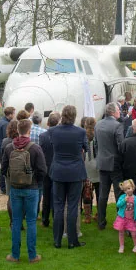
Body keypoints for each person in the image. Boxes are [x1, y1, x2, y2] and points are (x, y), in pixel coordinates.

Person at [1, 119, 47, 263]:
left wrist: (12, 179)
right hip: (32, 188)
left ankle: (15, 255)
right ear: (29, 130)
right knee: (31, 221)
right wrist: (36, 182)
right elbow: (42, 170)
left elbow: (3, 169)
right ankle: (32, 256)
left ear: (17, 130)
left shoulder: (9, 148)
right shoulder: (35, 148)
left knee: (16, 221)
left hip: (15, 188)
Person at [48, 105, 88, 249]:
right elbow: (86, 148)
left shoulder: (53, 131)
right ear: (74, 116)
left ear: (62, 115)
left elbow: (53, 145)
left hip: (59, 171)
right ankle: (72, 240)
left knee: (58, 206)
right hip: (75, 172)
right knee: (72, 206)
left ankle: (57, 240)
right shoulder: (80, 132)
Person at [94, 102, 124, 230]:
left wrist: (99, 156)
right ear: (112, 112)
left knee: (103, 194)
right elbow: (121, 146)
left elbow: (95, 144)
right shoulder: (117, 125)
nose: (119, 111)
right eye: (118, 110)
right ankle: (120, 221)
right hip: (115, 163)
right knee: (119, 194)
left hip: (102, 162)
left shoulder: (98, 124)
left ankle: (101, 222)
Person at [38, 112, 59, 228]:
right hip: (56, 168)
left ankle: (45, 219)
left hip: (46, 168)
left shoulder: (42, 136)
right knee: (56, 195)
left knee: (46, 195)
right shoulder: (59, 135)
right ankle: (55, 218)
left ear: (48, 122)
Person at [114, 179, 136, 253]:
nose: (127, 191)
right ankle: (121, 246)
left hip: (131, 219)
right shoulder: (122, 197)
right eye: (125, 190)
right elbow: (118, 205)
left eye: (129, 188)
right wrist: (124, 200)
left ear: (133, 187)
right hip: (122, 218)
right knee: (121, 232)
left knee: (134, 233)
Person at [80, 116, 99, 224]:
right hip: (97, 165)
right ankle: (99, 214)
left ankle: (88, 216)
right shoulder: (98, 135)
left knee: (87, 192)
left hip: (86, 165)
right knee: (99, 192)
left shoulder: (82, 135)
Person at [0, 107, 16, 195]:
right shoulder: (5, 124)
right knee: (4, 167)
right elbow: (8, 137)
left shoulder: (2, 121)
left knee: (3, 166)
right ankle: (3, 188)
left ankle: (3, 187)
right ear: (10, 114)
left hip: (0, 147)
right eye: (13, 113)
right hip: (3, 148)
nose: (14, 115)